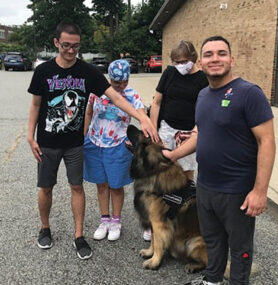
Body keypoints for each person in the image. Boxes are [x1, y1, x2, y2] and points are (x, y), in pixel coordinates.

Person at [27, 21, 157, 260]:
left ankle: (79, 236)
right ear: (56, 42)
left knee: (77, 187)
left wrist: (141, 116)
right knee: (45, 187)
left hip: (75, 144)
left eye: (75, 46)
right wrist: (29, 135)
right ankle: (44, 228)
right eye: (66, 45)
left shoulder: (88, 72)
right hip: (47, 142)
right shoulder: (43, 71)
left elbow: (116, 99)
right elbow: (36, 105)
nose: (71, 50)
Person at [163, 36, 276, 285]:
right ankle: (212, 280)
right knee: (213, 240)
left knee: (240, 247)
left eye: (222, 53)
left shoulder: (249, 94)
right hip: (206, 186)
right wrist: (173, 154)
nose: (215, 59)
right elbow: (200, 133)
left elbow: (266, 142)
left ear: (231, 59)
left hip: (237, 189)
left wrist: (260, 190)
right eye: (209, 54)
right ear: (201, 63)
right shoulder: (203, 95)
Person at [146, 40, 208, 241]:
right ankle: (155, 219)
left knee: (186, 174)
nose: (180, 65)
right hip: (167, 127)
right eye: (176, 61)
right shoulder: (169, 73)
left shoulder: (202, 79)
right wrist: (153, 130)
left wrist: (196, 132)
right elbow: (156, 102)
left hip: (188, 132)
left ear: (193, 59)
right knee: (160, 173)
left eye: (183, 61)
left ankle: (184, 217)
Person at [83, 59, 144, 241]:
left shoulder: (132, 95)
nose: (121, 85)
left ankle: (116, 221)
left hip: (117, 144)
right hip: (95, 142)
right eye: (116, 82)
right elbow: (88, 113)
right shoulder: (96, 92)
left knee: (116, 185)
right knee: (101, 184)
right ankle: (105, 219)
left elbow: (142, 115)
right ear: (109, 78)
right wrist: (83, 137)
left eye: (124, 81)